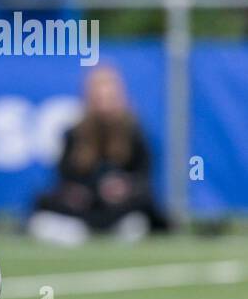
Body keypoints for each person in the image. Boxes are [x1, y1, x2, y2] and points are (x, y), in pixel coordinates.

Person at [28, 66, 168, 245]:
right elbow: (62, 179)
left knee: (140, 213)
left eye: (108, 98)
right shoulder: (74, 133)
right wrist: (75, 192)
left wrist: (123, 187)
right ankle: (76, 231)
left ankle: (118, 230)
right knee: (43, 203)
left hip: (119, 210)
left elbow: (145, 179)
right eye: (98, 98)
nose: (103, 105)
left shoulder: (134, 133)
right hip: (83, 209)